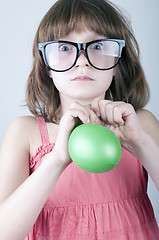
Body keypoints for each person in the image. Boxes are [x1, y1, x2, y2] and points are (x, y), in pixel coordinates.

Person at [0, 0, 159, 239]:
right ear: (47, 66)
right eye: (64, 48)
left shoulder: (141, 123)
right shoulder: (25, 132)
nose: (82, 61)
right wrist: (57, 160)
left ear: (118, 62)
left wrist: (141, 144)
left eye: (98, 46)